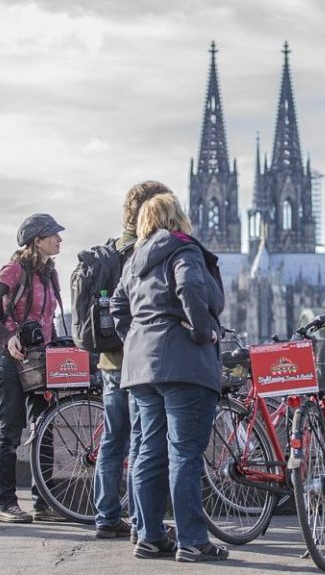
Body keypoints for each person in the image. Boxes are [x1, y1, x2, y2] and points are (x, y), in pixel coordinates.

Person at [110, 192, 228, 562]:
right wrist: (200, 329)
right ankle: (192, 541)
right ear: (177, 217)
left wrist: (136, 336)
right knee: (185, 454)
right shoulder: (183, 249)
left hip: (140, 368)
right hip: (182, 364)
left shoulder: (135, 259)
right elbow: (191, 288)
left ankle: (148, 535)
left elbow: (116, 305)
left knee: (148, 452)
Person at [0, 213, 67, 523]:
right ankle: (6, 503)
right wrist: (8, 336)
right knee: (10, 432)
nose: (59, 239)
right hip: (10, 360)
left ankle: (44, 503)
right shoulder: (14, 270)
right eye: (54, 234)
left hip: (40, 362)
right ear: (37, 240)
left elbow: (48, 321)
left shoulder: (50, 275)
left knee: (46, 430)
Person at [93, 181, 173, 540]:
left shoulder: (111, 248)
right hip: (136, 362)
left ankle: (106, 516)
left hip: (109, 361)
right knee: (142, 441)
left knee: (113, 441)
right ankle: (142, 523)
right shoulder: (142, 250)